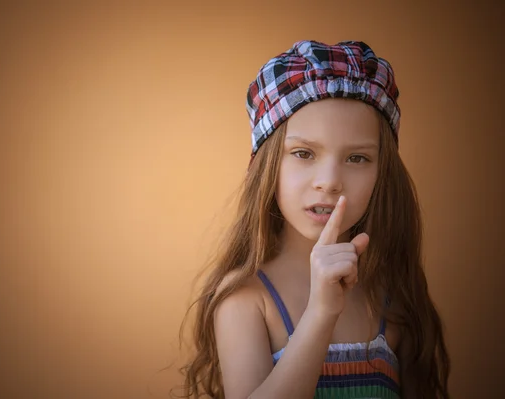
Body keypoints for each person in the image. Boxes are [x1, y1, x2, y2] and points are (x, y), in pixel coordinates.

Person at [177, 40, 450, 399]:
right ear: (268, 167)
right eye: (304, 153)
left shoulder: (392, 298)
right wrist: (321, 312)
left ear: (382, 173)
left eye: (357, 158)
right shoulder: (245, 301)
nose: (330, 181)